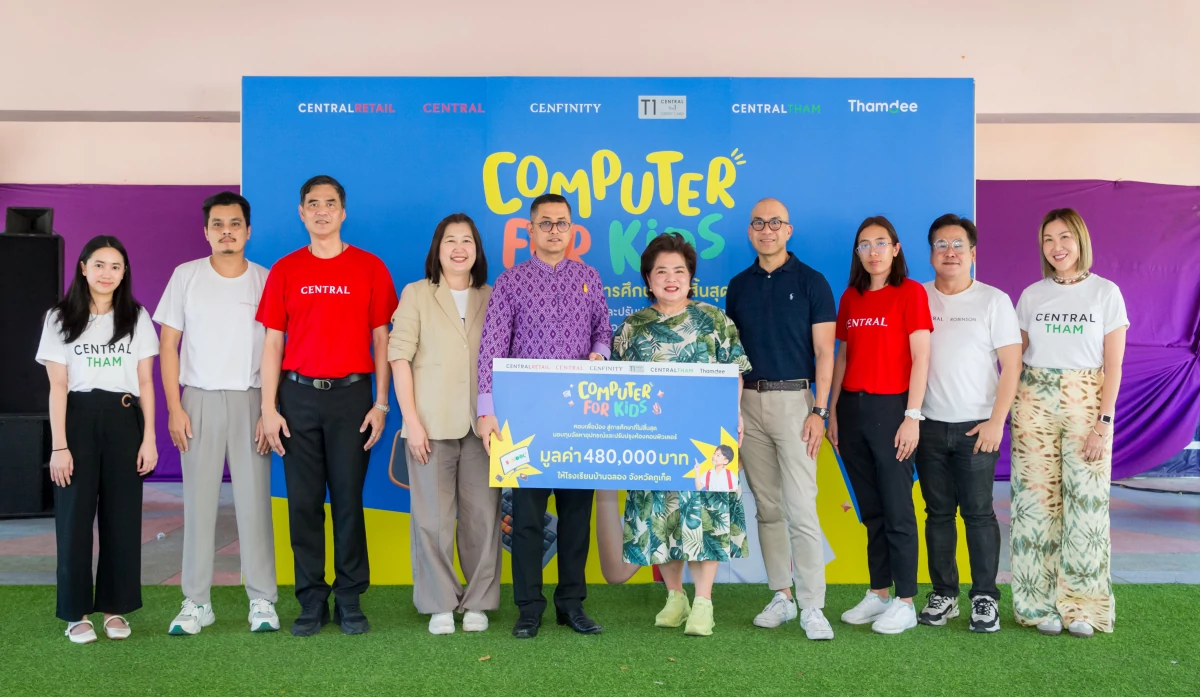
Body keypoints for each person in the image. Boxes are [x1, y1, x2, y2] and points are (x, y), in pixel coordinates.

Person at [258, 175, 399, 636]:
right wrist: (268, 408)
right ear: (301, 213)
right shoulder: (285, 270)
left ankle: (351, 598)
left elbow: (383, 340)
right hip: (296, 397)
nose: (322, 211)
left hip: (353, 398)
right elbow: (272, 344)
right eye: (313, 204)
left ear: (343, 212)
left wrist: (381, 404)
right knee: (302, 503)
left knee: (347, 501)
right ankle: (311, 599)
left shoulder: (371, 268)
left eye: (330, 203)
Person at [476, 192, 612, 639]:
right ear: (530, 230)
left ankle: (571, 605)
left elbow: (603, 331)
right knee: (528, 520)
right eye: (546, 223)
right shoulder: (510, 282)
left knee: (576, 518)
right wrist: (486, 410)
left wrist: (599, 353)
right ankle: (529, 608)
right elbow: (492, 347)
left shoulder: (590, 277)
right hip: (524, 424)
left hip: (579, 424)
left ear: (572, 230)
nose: (555, 230)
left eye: (562, 223)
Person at [611, 232, 752, 637]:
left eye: (679, 270)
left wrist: (733, 415)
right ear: (648, 279)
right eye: (661, 272)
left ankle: (704, 601)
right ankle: (675, 596)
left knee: (703, 513)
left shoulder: (715, 320)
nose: (670, 278)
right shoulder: (632, 328)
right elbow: (616, 384)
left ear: (691, 276)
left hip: (707, 438)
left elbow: (735, 373)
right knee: (660, 514)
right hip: (652, 439)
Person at [154, 191, 279, 636]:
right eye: (218, 224)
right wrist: (174, 407)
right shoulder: (185, 276)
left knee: (254, 503)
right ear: (206, 231)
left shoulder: (266, 280)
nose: (227, 231)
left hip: (252, 400)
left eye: (235, 224)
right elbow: (168, 345)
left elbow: (275, 349)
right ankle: (196, 601)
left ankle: (262, 600)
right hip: (199, 400)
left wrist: (270, 409)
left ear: (248, 230)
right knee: (200, 502)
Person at [1010, 208, 1127, 639]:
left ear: (1080, 240)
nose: (1057, 247)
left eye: (1064, 238)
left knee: (1087, 505)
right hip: (1033, 402)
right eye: (1047, 240)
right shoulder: (1031, 296)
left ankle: (1084, 607)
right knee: (1034, 507)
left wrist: (1104, 423)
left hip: (1086, 404)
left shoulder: (1106, 294)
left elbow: (1112, 367)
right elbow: (1013, 359)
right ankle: (1037, 604)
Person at [37, 236, 159, 643]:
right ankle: (75, 614)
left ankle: (115, 609)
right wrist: (59, 446)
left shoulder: (137, 317)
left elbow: (145, 382)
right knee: (73, 522)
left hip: (125, 421)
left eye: (116, 266)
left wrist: (150, 439)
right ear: (84, 268)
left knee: (122, 520)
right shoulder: (59, 317)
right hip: (77, 421)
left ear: (125, 273)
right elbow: (57, 385)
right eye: (100, 265)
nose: (108, 273)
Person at [725, 197, 837, 640]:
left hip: (796, 403)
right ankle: (782, 595)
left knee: (801, 508)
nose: (766, 230)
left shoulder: (812, 282)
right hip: (749, 404)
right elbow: (731, 359)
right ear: (750, 231)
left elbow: (826, 352)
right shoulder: (738, 285)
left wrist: (819, 411)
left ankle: (813, 605)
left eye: (775, 223)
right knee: (767, 508)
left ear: (788, 230)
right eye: (758, 223)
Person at [388, 213, 501, 635]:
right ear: (437, 249)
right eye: (450, 240)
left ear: (477, 250)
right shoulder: (416, 294)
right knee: (432, 520)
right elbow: (399, 358)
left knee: (482, 519)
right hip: (430, 427)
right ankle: (439, 602)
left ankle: (477, 602)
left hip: (483, 428)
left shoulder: (492, 295)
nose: (459, 248)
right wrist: (410, 421)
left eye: (467, 241)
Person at [915, 214, 1021, 633]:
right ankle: (944, 594)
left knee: (978, 514)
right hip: (927, 426)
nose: (950, 252)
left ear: (973, 253)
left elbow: (1011, 366)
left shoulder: (993, 300)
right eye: (941, 245)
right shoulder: (916, 297)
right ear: (931, 254)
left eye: (958, 245)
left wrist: (998, 421)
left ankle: (984, 598)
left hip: (979, 426)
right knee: (938, 513)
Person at [828, 216, 932, 635]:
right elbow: (842, 356)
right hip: (852, 410)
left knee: (897, 509)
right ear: (858, 253)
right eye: (865, 245)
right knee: (871, 510)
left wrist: (912, 416)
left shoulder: (911, 294)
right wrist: (832, 409)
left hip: (893, 411)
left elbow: (922, 358)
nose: (873, 251)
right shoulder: (851, 298)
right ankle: (879, 593)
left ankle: (906, 601)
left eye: (881, 243)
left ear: (896, 248)